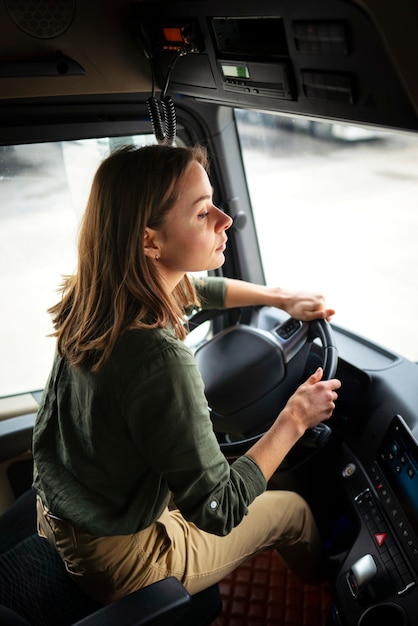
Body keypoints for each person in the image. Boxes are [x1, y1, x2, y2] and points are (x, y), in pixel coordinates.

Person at [32, 143, 341, 605]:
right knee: (292, 511)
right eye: (202, 214)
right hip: (121, 560)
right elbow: (219, 508)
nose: (224, 219)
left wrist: (278, 297)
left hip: (66, 514)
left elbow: (195, 288)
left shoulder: (97, 295)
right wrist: (295, 418)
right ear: (150, 240)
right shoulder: (160, 360)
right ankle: (329, 595)